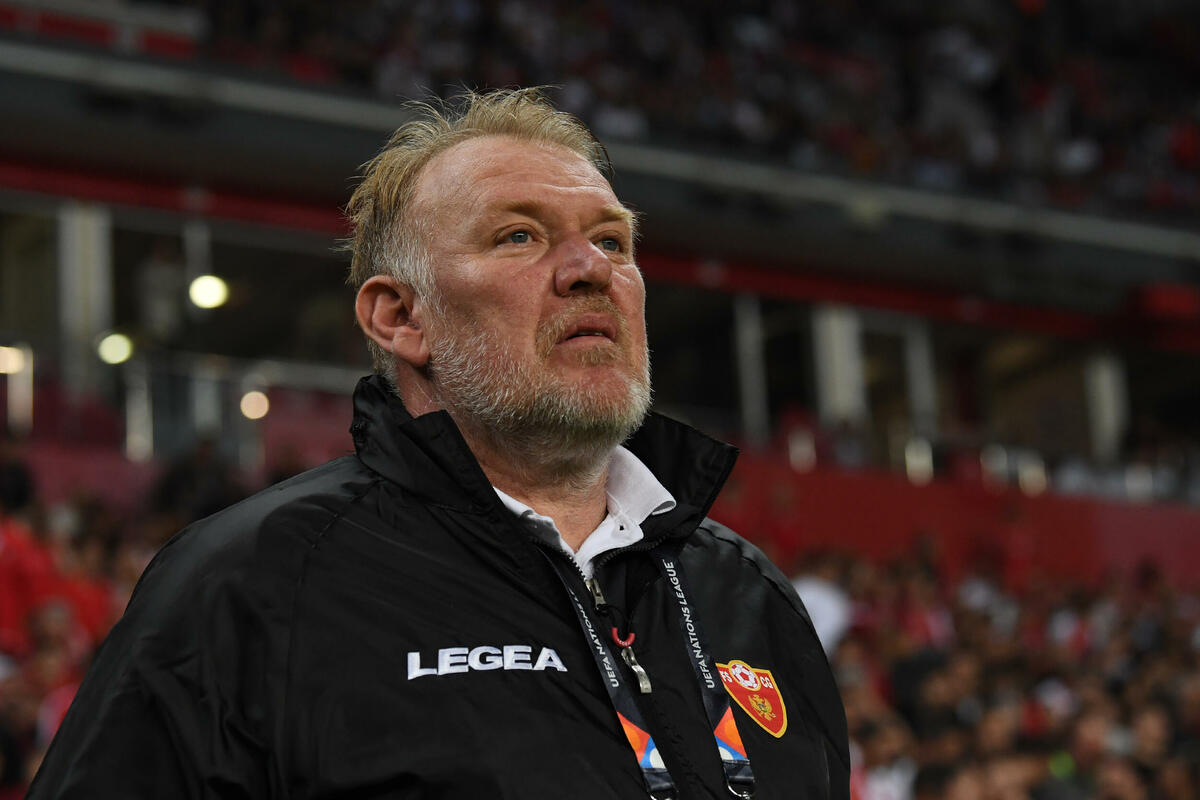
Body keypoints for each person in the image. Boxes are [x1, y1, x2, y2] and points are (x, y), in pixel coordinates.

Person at [27, 88, 848, 799]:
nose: (590, 269)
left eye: (612, 240)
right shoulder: (251, 584)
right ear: (400, 317)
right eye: (519, 236)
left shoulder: (747, 594)